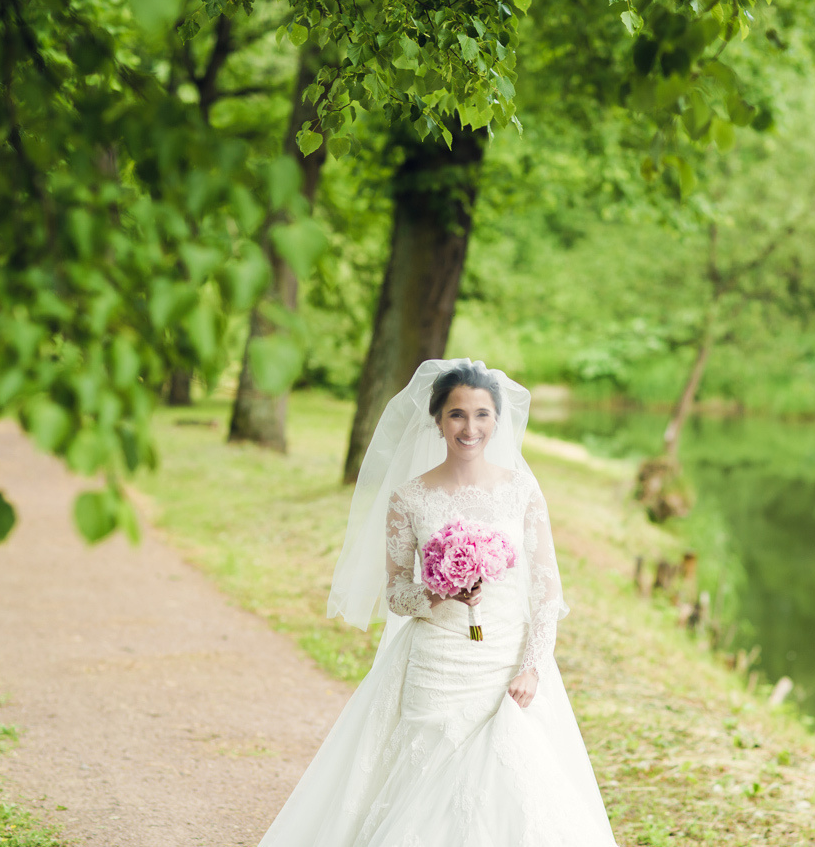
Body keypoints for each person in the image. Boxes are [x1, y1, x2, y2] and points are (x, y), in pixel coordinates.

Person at [258, 359, 618, 847]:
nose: (470, 428)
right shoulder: (410, 498)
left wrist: (533, 665)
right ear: (437, 420)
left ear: (497, 420)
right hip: (437, 662)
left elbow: (546, 589)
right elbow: (396, 593)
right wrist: (438, 591)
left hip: (507, 661)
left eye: (482, 415)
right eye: (457, 415)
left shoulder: (521, 491)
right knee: (427, 772)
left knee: (514, 782)